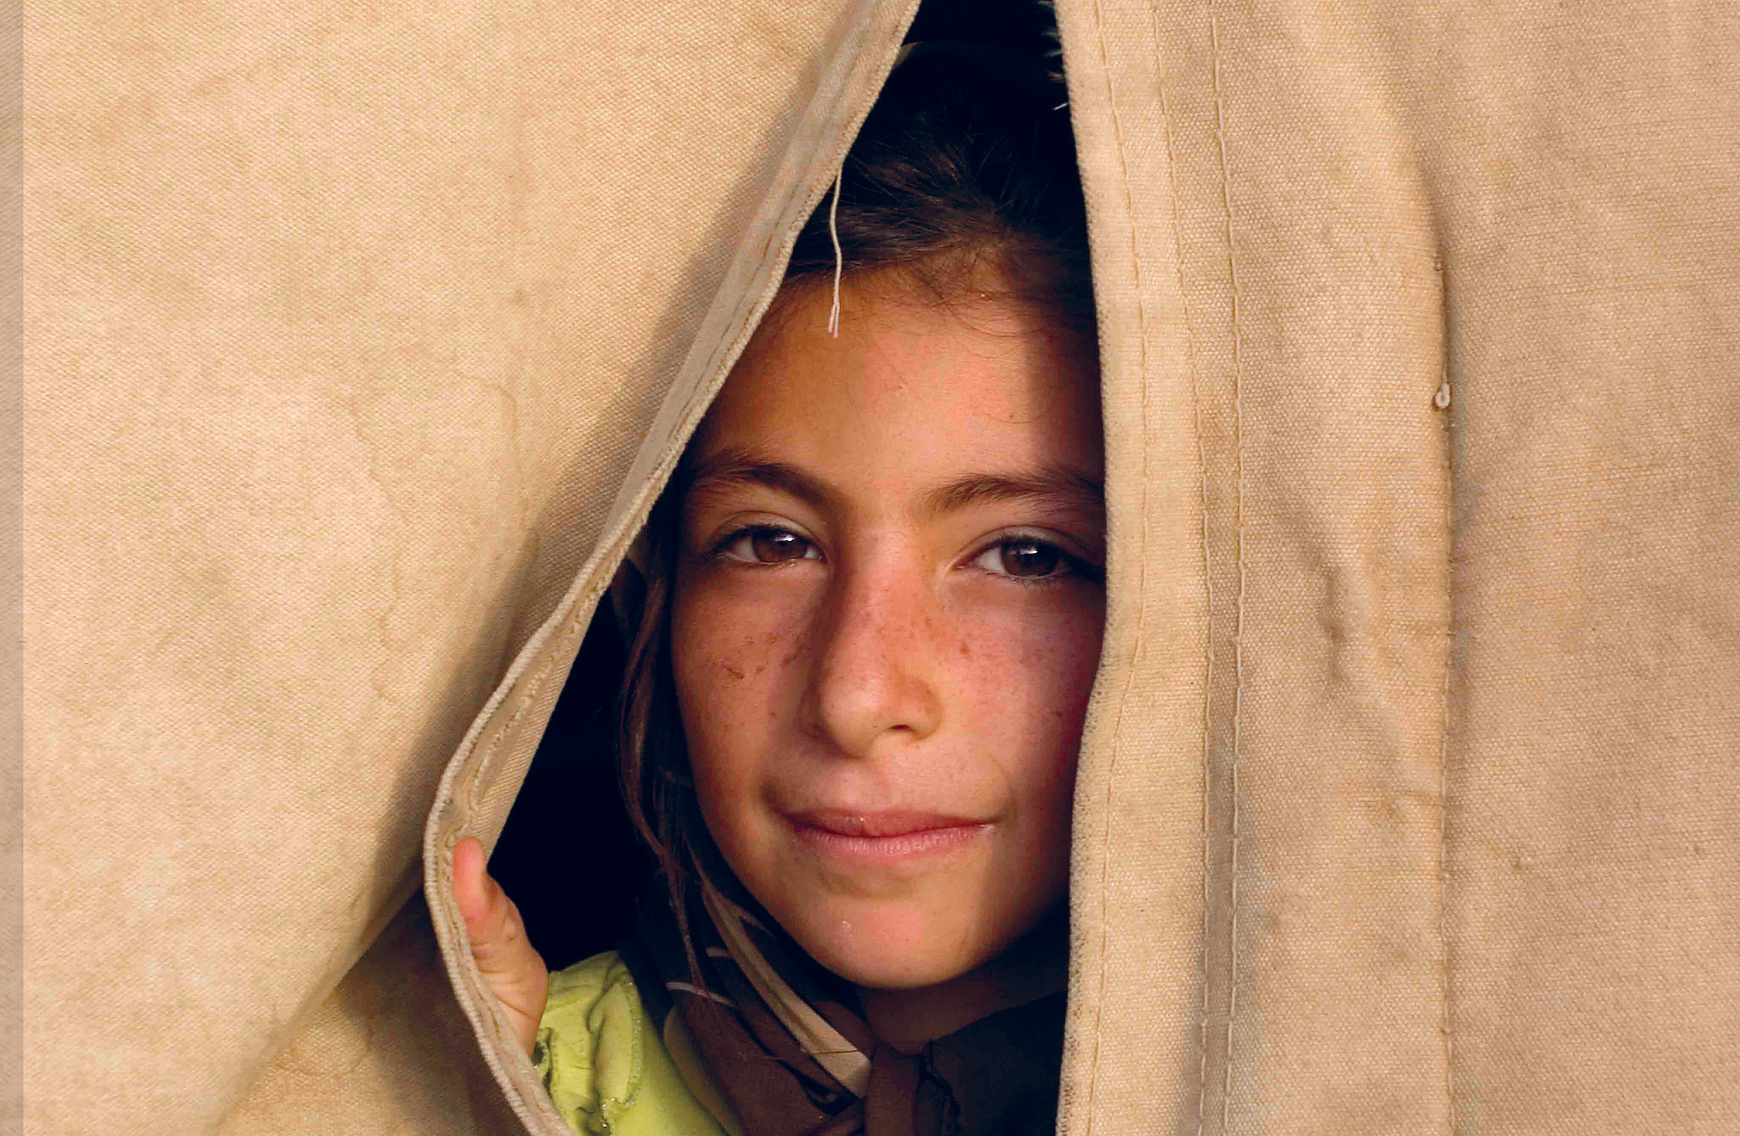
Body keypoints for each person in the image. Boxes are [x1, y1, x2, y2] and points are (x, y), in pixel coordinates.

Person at [452, 37, 1103, 1136]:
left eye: (1024, 555)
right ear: (649, 594)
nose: (855, 695)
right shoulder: (506, 1074)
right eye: (770, 541)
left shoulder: (1374, 1071)